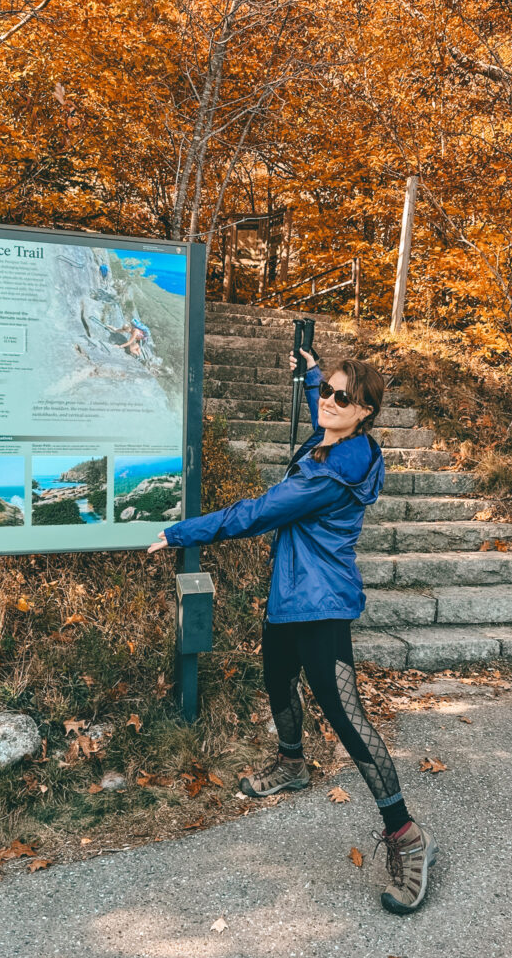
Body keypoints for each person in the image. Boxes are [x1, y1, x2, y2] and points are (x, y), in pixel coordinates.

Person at [147, 349, 438, 914]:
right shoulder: (338, 440)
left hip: (320, 602)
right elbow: (323, 414)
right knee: (277, 677)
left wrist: (183, 532)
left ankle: (406, 834)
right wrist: (311, 376)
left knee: (346, 714)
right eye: (327, 391)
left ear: (366, 412)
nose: (328, 402)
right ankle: (291, 764)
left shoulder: (329, 475)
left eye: (342, 397)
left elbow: (257, 513)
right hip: (290, 592)